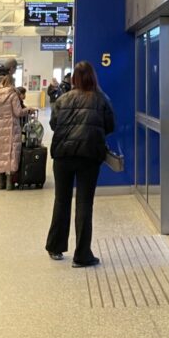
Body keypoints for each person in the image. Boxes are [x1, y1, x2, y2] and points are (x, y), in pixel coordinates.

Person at [45, 60, 115, 267]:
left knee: (61, 200)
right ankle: (82, 255)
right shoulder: (102, 99)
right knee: (84, 203)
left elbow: (53, 124)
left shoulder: (63, 99)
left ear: (74, 79)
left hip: (63, 155)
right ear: (93, 78)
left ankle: (55, 247)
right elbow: (110, 125)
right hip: (89, 155)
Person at [0, 75, 29, 190]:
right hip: (11, 126)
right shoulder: (13, 94)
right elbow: (18, 112)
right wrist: (28, 110)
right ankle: (9, 183)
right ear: (12, 83)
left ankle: (0, 183)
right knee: (11, 153)